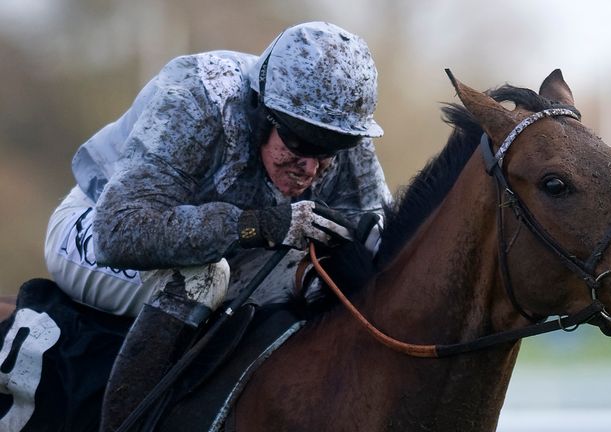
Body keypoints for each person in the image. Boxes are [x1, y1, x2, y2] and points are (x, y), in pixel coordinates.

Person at [43, 21, 391, 431]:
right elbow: (120, 231)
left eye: (330, 150)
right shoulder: (195, 98)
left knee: (315, 278)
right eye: (299, 143)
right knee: (203, 276)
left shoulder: (338, 126)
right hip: (94, 226)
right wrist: (255, 226)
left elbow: (381, 233)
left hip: (221, 249)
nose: (311, 167)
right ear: (263, 113)